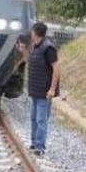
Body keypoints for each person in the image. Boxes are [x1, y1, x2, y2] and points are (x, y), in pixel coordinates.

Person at [26, 21, 58, 155]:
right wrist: (23, 52)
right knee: (34, 118)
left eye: (32, 31)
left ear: (35, 32)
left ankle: (40, 147)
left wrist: (52, 89)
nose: (30, 34)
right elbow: (31, 62)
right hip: (35, 90)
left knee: (41, 119)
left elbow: (56, 68)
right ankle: (34, 143)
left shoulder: (48, 48)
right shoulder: (36, 47)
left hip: (44, 91)